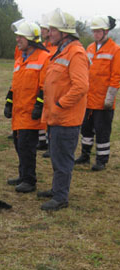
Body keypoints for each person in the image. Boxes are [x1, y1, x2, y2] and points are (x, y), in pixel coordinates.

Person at [38, 8, 89, 211]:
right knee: (56, 154)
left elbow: (81, 86)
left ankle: (61, 197)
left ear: (64, 32)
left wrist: (60, 104)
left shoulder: (76, 53)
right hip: (55, 116)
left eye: (52, 30)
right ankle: (57, 189)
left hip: (66, 117)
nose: (49, 33)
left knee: (63, 157)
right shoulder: (61, 50)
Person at [5, 20, 50, 193]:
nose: (17, 40)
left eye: (20, 37)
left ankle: (29, 180)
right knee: (19, 145)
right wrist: (8, 102)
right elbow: (14, 85)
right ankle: (23, 175)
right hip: (19, 112)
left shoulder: (43, 58)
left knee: (26, 146)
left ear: (31, 39)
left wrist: (38, 107)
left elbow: (44, 86)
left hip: (31, 113)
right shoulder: (20, 59)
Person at [75, 15, 120, 171]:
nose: (95, 34)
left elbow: (116, 76)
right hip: (88, 99)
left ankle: (101, 160)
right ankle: (85, 155)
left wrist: (110, 98)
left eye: (98, 31)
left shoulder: (115, 50)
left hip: (103, 101)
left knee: (102, 133)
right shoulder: (90, 48)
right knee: (86, 130)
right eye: (94, 31)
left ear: (105, 32)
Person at [36, 14, 58, 154]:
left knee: (50, 116)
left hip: (51, 87)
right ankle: (43, 141)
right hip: (41, 84)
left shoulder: (55, 48)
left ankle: (51, 145)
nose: (43, 32)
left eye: (44, 29)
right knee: (42, 114)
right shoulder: (43, 47)